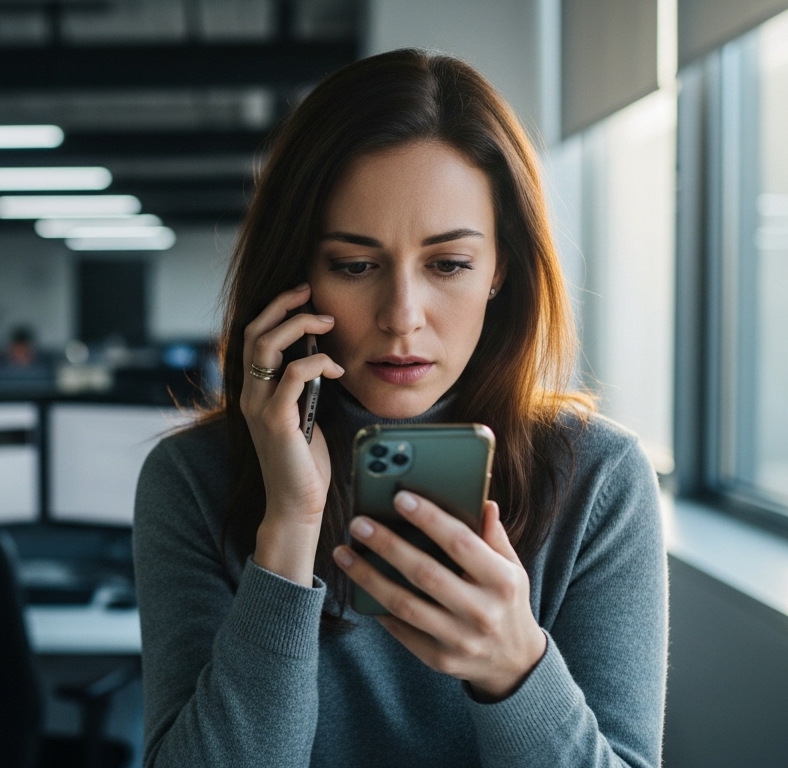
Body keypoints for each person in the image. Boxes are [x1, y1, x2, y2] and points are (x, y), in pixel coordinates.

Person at [133, 49, 666, 767]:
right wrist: (289, 528)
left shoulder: (597, 478)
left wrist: (514, 666)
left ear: (500, 268)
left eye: (448, 264)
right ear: (299, 274)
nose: (402, 317)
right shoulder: (193, 476)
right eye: (355, 266)